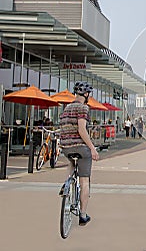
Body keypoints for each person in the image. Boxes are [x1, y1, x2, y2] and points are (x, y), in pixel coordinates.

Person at [59, 81, 99, 226]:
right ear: (86, 94)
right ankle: (83, 215)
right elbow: (82, 130)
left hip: (66, 147)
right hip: (80, 148)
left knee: (71, 160)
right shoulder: (83, 108)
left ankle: (66, 183)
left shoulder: (66, 108)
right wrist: (92, 148)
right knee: (84, 180)